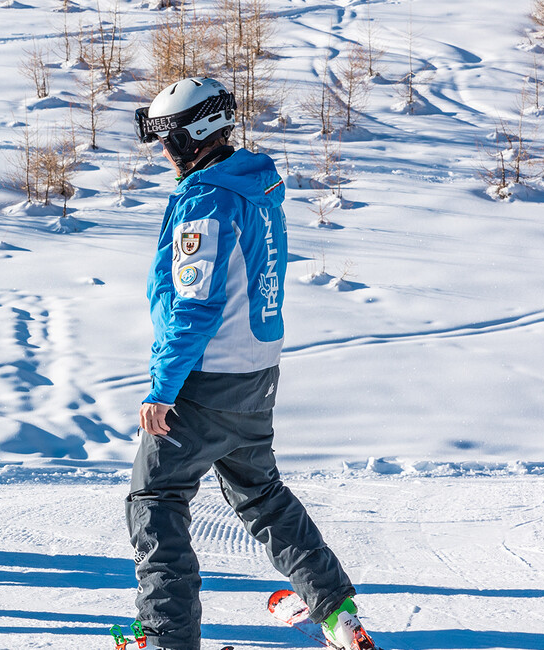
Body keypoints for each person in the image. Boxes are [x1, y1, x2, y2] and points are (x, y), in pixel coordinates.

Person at [127, 77, 377, 650]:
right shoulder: (256, 188)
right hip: (256, 373)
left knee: (156, 500)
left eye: (165, 137)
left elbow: (195, 304)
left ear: (191, 136)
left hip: (203, 379)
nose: (162, 151)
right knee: (261, 493)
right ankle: (336, 609)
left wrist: (163, 388)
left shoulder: (206, 201)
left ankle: (167, 638)